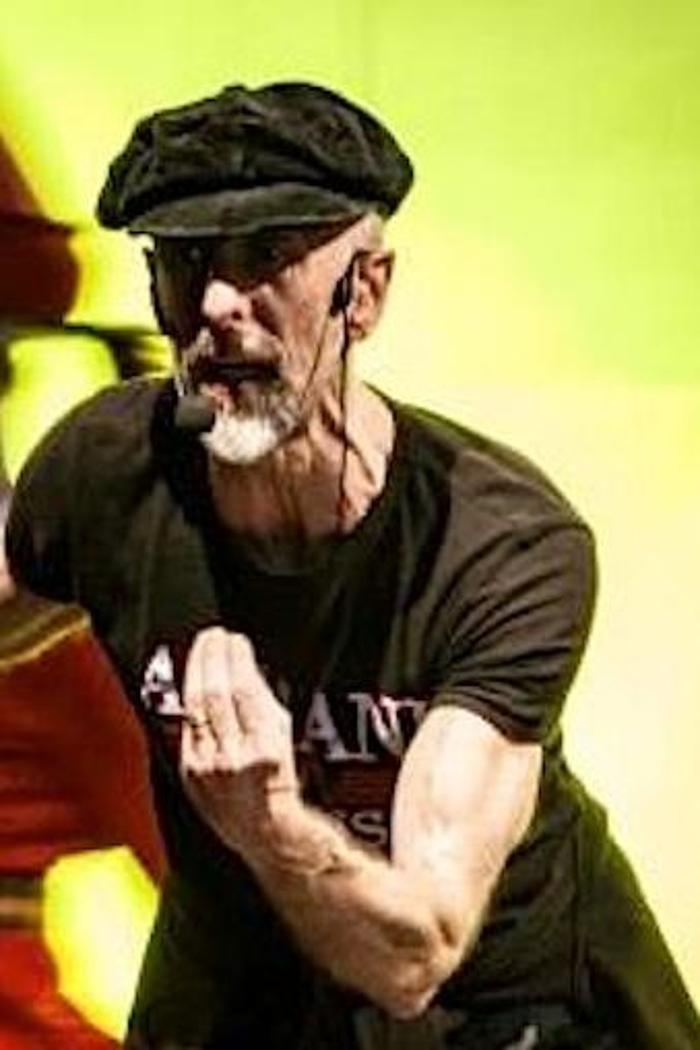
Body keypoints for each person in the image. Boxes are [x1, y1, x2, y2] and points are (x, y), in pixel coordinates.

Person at [4, 81, 699, 1050]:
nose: (219, 304)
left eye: (266, 259)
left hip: (498, 1007)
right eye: (188, 262)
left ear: (363, 292)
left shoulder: (496, 544)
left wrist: (268, 819)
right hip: (244, 991)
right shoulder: (110, 473)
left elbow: (418, 954)